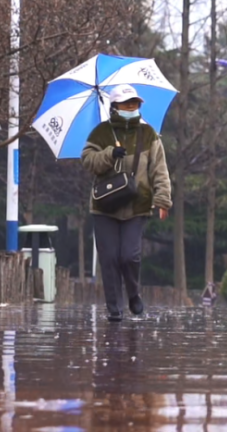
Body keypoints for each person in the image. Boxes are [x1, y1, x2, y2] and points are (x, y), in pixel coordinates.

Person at [81, 85, 172, 322]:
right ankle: (114, 307)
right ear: (115, 106)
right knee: (109, 258)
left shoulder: (149, 134)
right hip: (105, 206)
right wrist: (109, 154)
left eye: (135, 103)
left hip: (137, 205)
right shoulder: (101, 133)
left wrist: (163, 199)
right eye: (126, 103)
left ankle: (133, 294)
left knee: (129, 256)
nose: (132, 107)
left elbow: (159, 170)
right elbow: (88, 161)